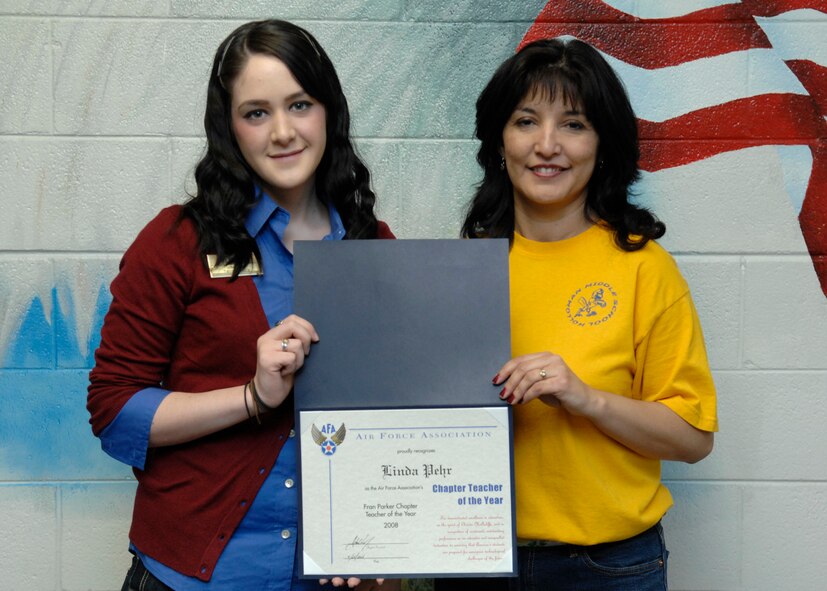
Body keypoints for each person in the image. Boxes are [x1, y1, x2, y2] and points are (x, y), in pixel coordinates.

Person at [87, 19, 398, 591]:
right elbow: (113, 409)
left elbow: (395, 418)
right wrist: (252, 397)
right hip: (194, 576)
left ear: (329, 110)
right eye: (256, 112)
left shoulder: (373, 246)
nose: (282, 131)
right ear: (229, 128)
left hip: (325, 576)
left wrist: (385, 538)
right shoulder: (177, 241)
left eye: (299, 105)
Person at [436, 38, 718, 591]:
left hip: (608, 569)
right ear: (499, 139)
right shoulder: (460, 268)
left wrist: (585, 398)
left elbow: (693, 437)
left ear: (603, 144)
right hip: (475, 563)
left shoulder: (643, 267)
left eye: (573, 124)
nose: (546, 146)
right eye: (525, 121)